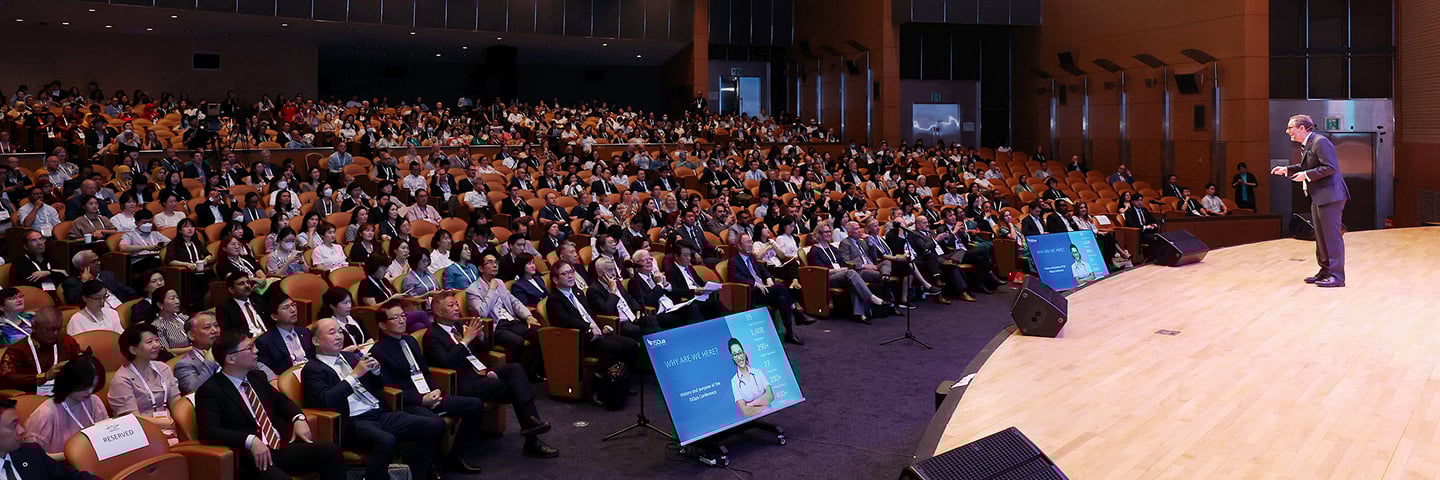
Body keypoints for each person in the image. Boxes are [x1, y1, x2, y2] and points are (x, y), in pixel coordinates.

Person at [302, 318, 446, 480]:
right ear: (315, 341)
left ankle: (416, 474)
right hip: (353, 421)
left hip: (378, 412)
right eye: (332, 332)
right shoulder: (312, 369)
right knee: (386, 440)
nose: (339, 336)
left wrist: (376, 372)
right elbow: (326, 400)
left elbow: (377, 387)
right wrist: (355, 375)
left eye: (340, 331)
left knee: (434, 424)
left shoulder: (349, 357)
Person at [422, 293, 558, 457]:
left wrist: (479, 336)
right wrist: (466, 340)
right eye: (451, 305)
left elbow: (485, 349)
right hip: (462, 381)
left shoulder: (458, 326)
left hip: (480, 372)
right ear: (437, 310)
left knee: (515, 369)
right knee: (514, 387)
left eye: (457, 304)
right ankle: (532, 434)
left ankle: (531, 424)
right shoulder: (432, 335)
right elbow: (447, 362)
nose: (457, 308)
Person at [195, 331, 345, 480]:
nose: (256, 351)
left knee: (331, 451)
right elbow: (209, 431)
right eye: (250, 348)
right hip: (251, 458)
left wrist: (298, 418)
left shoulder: (256, 377)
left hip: (280, 446)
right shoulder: (210, 390)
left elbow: (281, 400)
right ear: (231, 358)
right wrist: (250, 440)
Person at [369, 301, 487, 474]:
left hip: (430, 393)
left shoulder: (410, 340)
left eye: (403, 316)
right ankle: (427, 468)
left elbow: (425, 371)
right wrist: (421, 399)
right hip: (409, 402)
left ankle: (456, 455)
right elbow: (387, 388)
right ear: (382, 324)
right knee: (435, 423)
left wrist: (436, 389)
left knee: (475, 405)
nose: (402, 320)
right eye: (395, 318)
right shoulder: (378, 351)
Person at [1274, 114, 1349, 287]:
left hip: (1330, 196)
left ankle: (1337, 276)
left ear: (1302, 128)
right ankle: (1325, 271)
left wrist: (1306, 175)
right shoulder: (1309, 143)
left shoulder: (1320, 142)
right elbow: (1308, 166)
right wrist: (1287, 170)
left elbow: (1330, 167)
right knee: (1320, 236)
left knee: (1331, 237)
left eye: (1290, 128)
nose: (1287, 132)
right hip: (1319, 196)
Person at [546, 261, 642, 377]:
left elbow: (590, 314)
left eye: (571, 272)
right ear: (556, 280)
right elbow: (565, 320)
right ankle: (600, 376)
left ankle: (622, 380)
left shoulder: (578, 292)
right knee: (616, 348)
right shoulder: (554, 299)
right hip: (580, 338)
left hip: (597, 333)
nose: (571, 276)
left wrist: (602, 326)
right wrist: (589, 326)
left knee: (632, 345)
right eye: (565, 274)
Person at [464, 253, 544, 381]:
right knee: (517, 341)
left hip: (511, 321)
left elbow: (514, 302)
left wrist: (528, 316)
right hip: (495, 327)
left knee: (538, 333)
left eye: (496, 262)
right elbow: (482, 313)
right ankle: (515, 375)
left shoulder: (500, 282)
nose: (495, 265)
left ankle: (535, 371)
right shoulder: (473, 290)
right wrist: (491, 290)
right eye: (489, 262)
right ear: (481, 268)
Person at [108, 324, 183, 444]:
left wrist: (180, 421)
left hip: (171, 426)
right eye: (149, 342)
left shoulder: (163, 368)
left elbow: (176, 403)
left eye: (157, 340)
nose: (156, 345)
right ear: (133, 349)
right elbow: (132, 418)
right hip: (142, 433)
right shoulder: (122, 379)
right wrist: (166, 423)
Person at [24, 354, 108, 458]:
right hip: (59, 468)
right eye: (85, 387)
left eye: (93, 386)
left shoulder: (94, 401)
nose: (90, 391)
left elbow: (106, 435)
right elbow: (33, 457)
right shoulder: (45, 415)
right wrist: (71, 456)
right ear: (70, 382)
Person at [805, 224, 891, 324]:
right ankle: (871, 297)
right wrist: (840, 270)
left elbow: (843, 263)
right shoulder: (814, 251)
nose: (829, 234)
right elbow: (819, 270)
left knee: (853, 280)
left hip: (841, 274)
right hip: (826, 278)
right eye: (826, 232)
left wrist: (843, 269)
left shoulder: (832, 248)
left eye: (829, 231)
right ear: (819, 234)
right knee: (851, 273)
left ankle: (859, 314)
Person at [0, 396, 101, 479]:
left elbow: (70, 477)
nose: (21, 430)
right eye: (13, 426)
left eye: (19, 423)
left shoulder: (31, 452)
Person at [730, 234, 804, 345]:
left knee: (782, 299)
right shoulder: (733, 261)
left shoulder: (751, 258)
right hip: (752, 293)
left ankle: (789, 332)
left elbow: (763, 270)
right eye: (748, 242)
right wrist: (755, 284)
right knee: (780, 287)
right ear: (739, 246)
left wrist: (769, 278)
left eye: (751, 241)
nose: (751, 245)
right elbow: (736, 277)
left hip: (765, 291)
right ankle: (796, 312)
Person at [0, 307, 81, 394]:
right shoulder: (17, 350)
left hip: (66, 392)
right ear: (34, 327)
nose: (55, 334)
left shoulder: (67, 341)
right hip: (32, 396)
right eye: (49, 330)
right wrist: (44, 376)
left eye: (58, 329)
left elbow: (81, 362)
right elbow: (7, 378)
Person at [254, 295, 314, 374]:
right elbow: (267, 372)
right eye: (286, 307)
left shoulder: (305, 332)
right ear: (274, 317)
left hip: (311, 373)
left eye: (293, 305)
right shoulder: (264, 342)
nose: (293, 310)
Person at [60, 250, 137, 307]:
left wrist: (137, 300)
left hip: (121, 307)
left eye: (98, 260)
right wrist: (83, 282)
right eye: (94, 261)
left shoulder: (107, 275)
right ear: (82, 266)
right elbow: (74, 301)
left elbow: (125, 290)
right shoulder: (71, 282)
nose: (99, 263)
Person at [728, 338, 773, 417]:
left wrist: (751, 404)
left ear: (744, 353)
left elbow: (770, 396)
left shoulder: (758, 372)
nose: (739, 357)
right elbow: (746, 412)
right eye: (735, 354)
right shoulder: (734, 381)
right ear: (732, 357)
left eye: (740, 353)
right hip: (753, 418)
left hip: (771, 414)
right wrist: (764, 402)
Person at [218, 272, 270, 337]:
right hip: (248, 341)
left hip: (269, 335)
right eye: (241, 284)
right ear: (231, 290)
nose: (247, 286)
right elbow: (228, 333)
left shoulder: (257, 300)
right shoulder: (225, 308)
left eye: (248, 282)